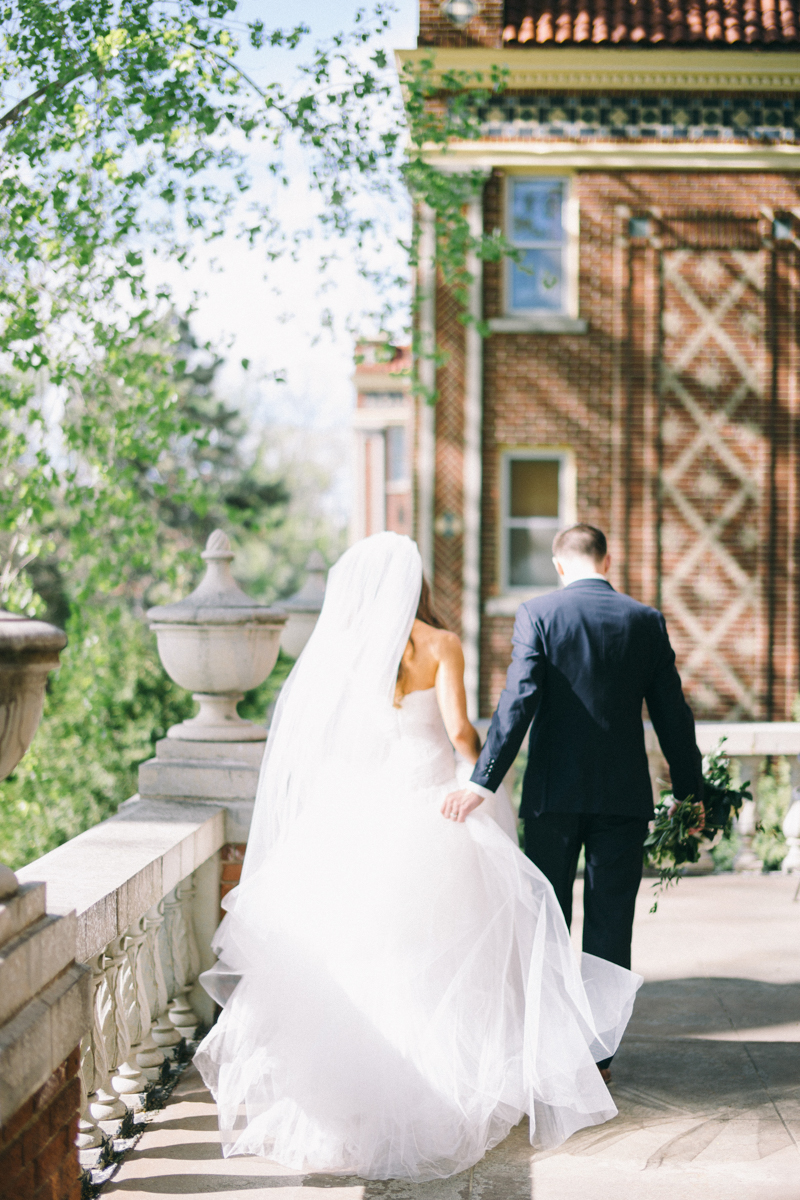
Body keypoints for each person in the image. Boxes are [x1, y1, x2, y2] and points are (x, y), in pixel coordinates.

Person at [194, 531, 642, 1182]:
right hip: (435, 805)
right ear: (419, 583)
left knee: (370, 959)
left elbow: (337, 743)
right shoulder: (442, 646)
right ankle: (449, 1090)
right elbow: (461, 733)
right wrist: (482, 779)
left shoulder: (348, 655)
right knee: (455, 953)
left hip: (371, 810)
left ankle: (357, 1105)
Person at [444, 523, 703, 1080]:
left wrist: (481, 781)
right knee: (611, 925)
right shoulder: (645, 620)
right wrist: (690, 791)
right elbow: (672, 716)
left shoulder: (539, 614)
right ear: (606, 560)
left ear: (559, 565)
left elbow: (517, 703)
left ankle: (550, 1045)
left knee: (548, 921)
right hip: (623, 798)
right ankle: (599, 1058)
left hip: (552, 798)